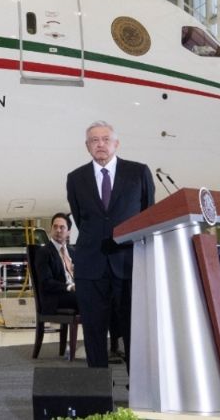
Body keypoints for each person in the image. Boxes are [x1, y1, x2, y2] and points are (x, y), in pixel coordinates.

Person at [66, 121, 155, 369]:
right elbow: (82, 219)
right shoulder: (75, 178)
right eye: (94, 140)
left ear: (116, 143)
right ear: (87, 147)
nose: (100, 144)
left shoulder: (138, 172)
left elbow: (148, 215)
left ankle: (138, 390)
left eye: (105, 139)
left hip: (128, 263)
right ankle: (99, 392)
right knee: (94, 330)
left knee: (133, 329)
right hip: (90, 265)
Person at [34, 213, 78, 314]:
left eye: (62, 227)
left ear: (68, 232)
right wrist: (70, 287)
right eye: (55, 227)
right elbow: (46, 283)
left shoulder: (73, 252)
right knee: (89, 300)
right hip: (54, 299)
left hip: (74, 295)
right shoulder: (43, 252)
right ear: (51, 229)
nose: (58, 230)